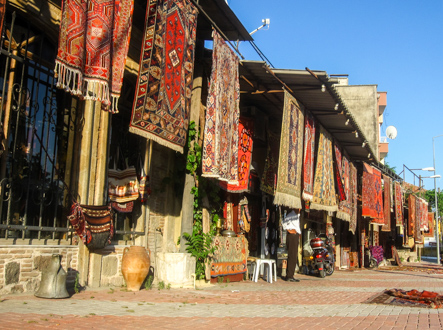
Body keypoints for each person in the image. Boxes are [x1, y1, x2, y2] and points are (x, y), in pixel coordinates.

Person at [282, 209, 301, 282]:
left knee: (294, 256)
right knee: (292, 255)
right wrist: (290, 230)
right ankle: (289, 275)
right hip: (292, 236)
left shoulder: (297, 215)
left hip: (295, 236)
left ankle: (291, 274)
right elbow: (283, 223)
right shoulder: (291, 215)